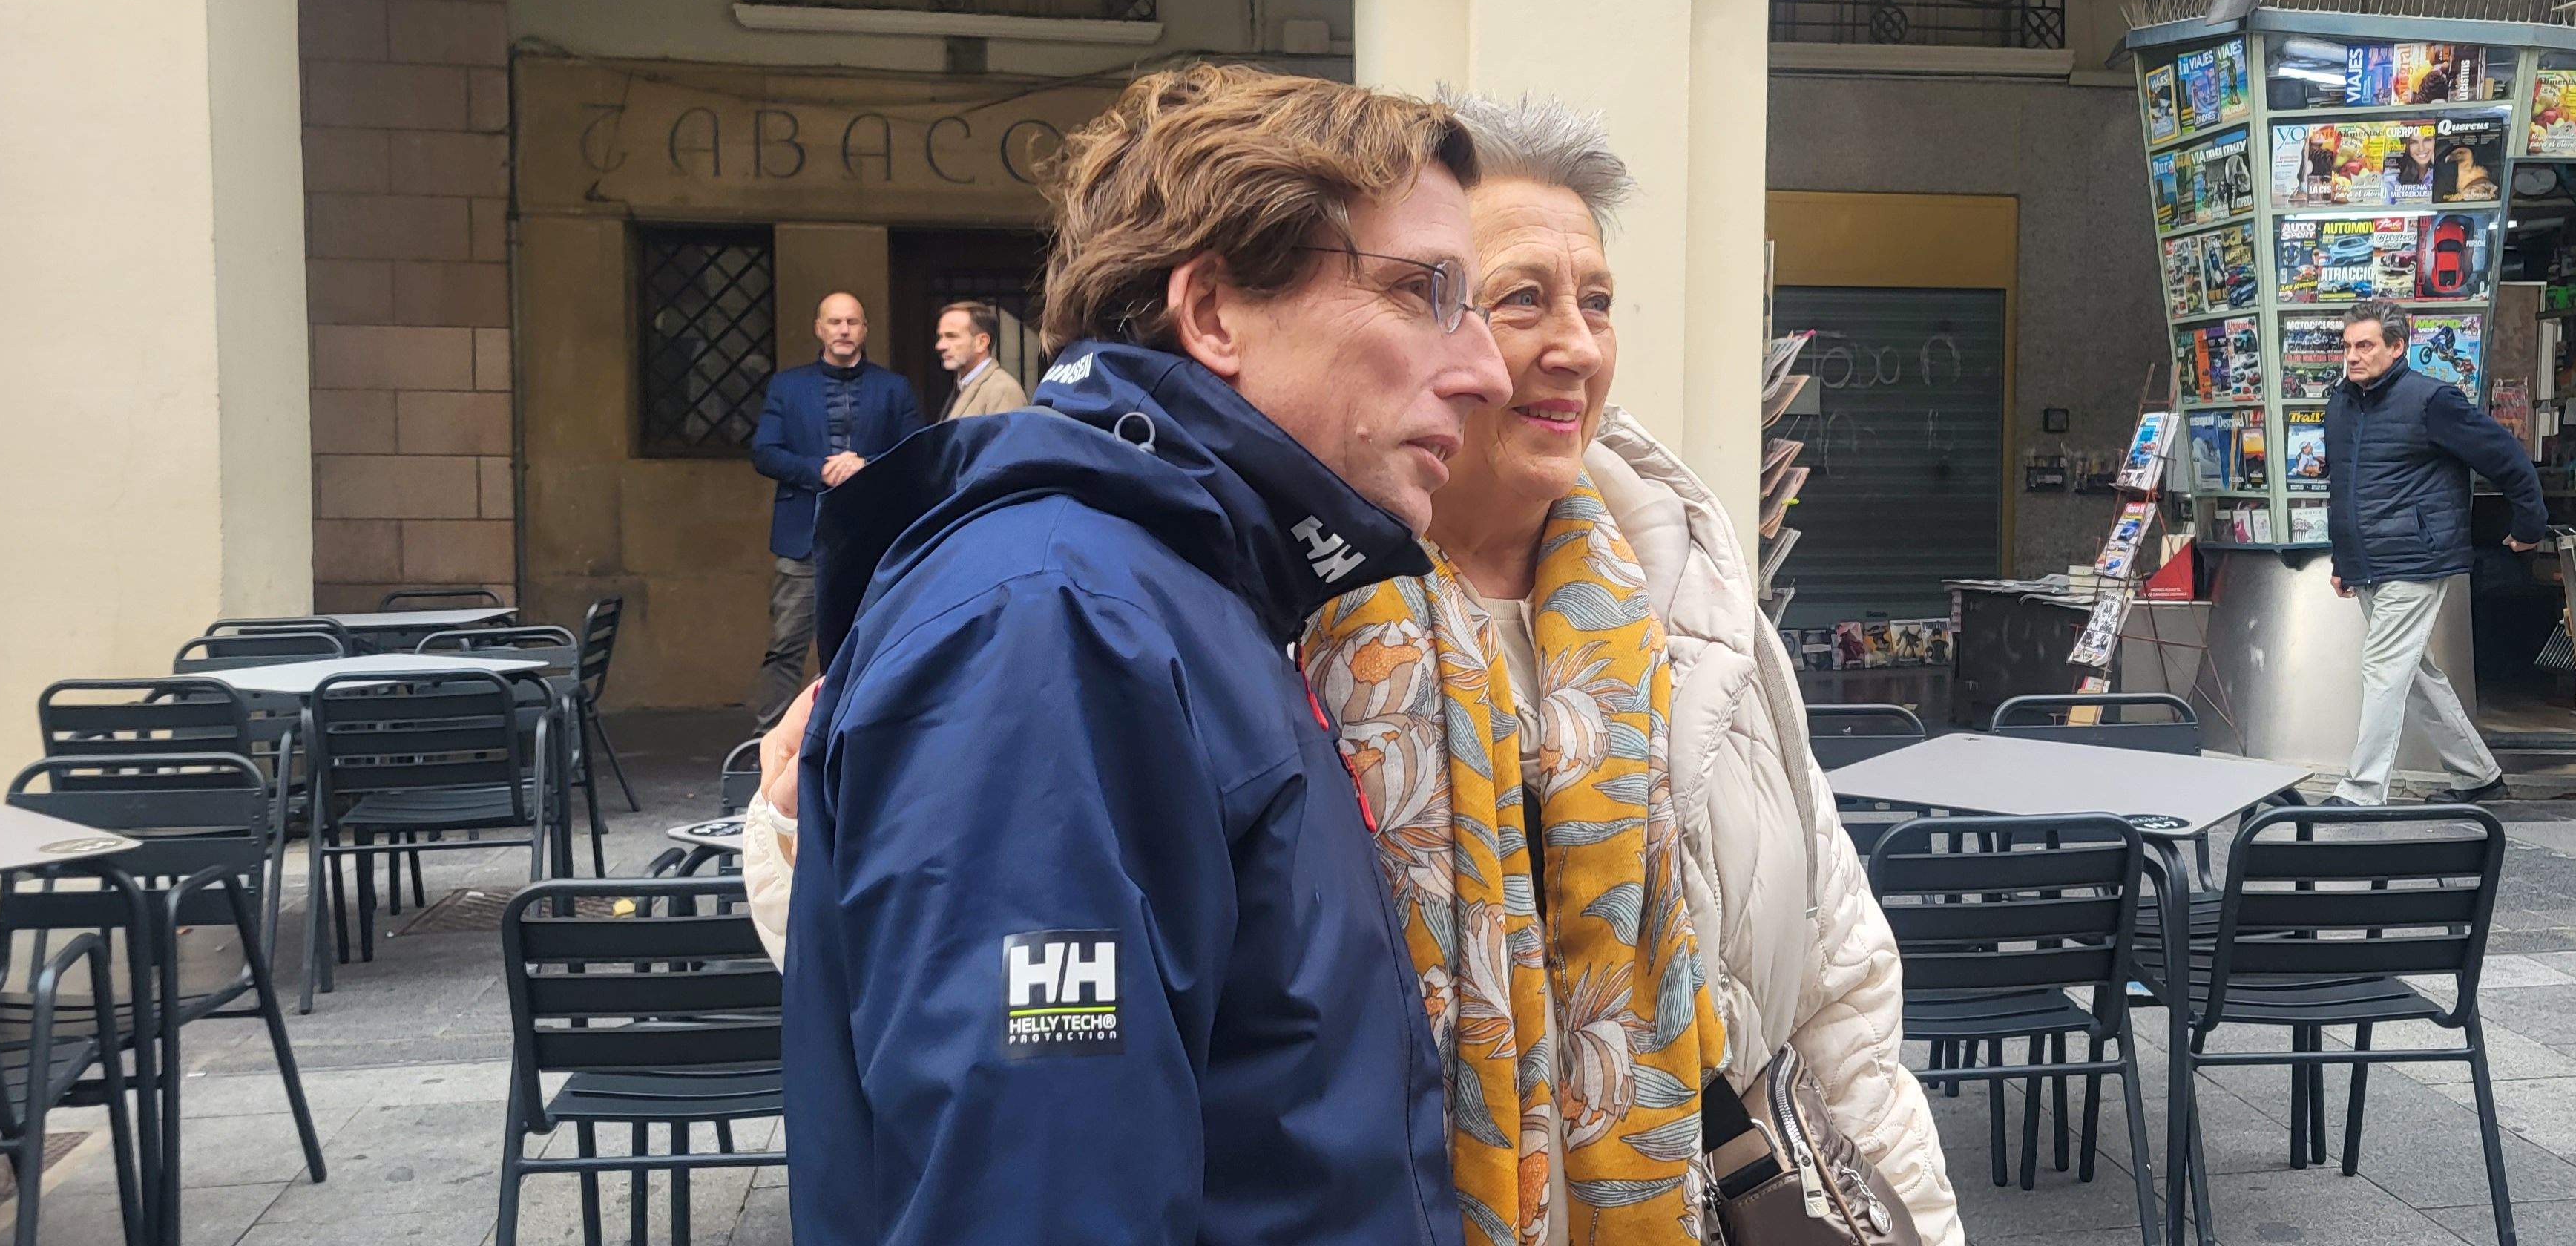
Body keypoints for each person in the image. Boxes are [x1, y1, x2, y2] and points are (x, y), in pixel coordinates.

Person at [771, 64, 1508, 1244]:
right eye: (1427, 292)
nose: (1487, 371)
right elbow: (1033, 1204)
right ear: (1212, 313)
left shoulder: (1170, 592)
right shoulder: (1056, 624)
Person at [1295, 94, 1962, 1243]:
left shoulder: (1699, 624)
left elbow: (1840, 1001)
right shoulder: (1307, 630)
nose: (1577, 347)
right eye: (1523, 300)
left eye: (1596, 302)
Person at [2324, 300, 2547, 807]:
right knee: (2415, 675)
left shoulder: (2432, 401)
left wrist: (2529, 525)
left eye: (2365, 345)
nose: (2353, 356)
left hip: (2416, 559)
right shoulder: (2342, 403)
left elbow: (2506, 457)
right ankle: (2478, 777)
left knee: (2384, 667)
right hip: (2368, 561)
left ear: (2397, 347)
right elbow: (2344, 488)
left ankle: (2361, 791)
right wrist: (2342, 559)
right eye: (2348, 346)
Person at [746, 292, 921, 731]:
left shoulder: (893, 388)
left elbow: (917, 453)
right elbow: (765, 452)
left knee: (867, 644)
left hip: (870, 541)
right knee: (786, 645)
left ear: (865, 330)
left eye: (852, 322)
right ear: (819, 329)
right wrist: (819, 469)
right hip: (801, 538)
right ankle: (767, 741)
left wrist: (866, 465)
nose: (844, 330)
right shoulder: (788, 386)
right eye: (835, 322)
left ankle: (854, 735)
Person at [932, 300, 1028, 419]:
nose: (940, 346)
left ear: (981, 342)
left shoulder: (1003, 390)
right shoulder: (962, 385)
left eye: (952, 336)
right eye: (940, 337)